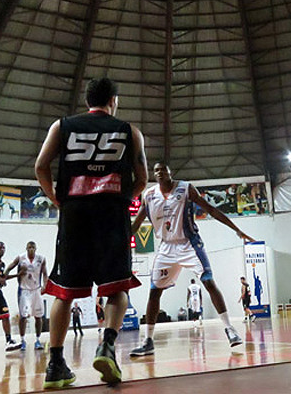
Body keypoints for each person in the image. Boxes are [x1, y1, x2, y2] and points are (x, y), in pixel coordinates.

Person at [35, 77, 148, 388]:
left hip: (74, 214)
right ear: (113, 100)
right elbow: (142, 179)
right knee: (117, 287)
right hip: (112, 214)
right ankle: (107, 346)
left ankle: (56, 364)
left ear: (87, 101)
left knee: (64, 291)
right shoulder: (130, 132)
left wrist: (56, 198)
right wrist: (122, 198)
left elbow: (41, 166)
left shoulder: (62, 126)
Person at [129, 162, 255, 358]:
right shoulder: (149, 195)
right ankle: (148, 341)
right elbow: (136, 224)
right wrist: (117, 241)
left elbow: (211, 209)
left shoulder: (185, 188)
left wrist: (237, 230)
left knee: (209, 282)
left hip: (189, 244)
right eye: (156, 170)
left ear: (170, 172)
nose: (160, 172)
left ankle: (229, 329)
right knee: (154, 292)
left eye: (163, 169)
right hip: (166, 247)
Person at [4, 241, 48, 351]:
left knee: (38, 316)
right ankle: (22, 340)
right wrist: (4, 276)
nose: (31, 249)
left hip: (36, 289)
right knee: (23, 316)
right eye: (29, 247)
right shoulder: (20, 258)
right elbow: (9, 267)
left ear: (36, 249)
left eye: (33, 247)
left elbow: (45, 274)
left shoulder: (41, 259)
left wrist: (45, 285)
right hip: (24, 290)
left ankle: (38, 340)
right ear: (26, 248)